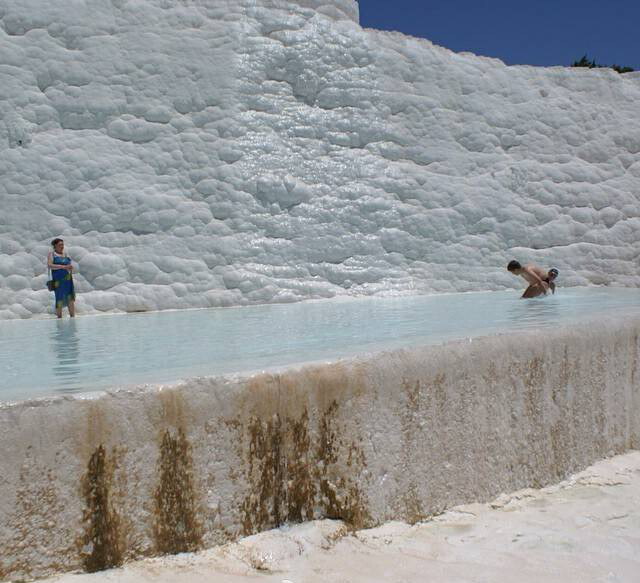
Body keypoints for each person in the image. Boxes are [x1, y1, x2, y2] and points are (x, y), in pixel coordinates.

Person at [47, 238, 76, 318]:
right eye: (60, 245)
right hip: (58, 281)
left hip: (68, 279)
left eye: (63, 244)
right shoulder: (52, 254)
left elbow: (69, 264)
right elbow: (50, 265)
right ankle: (59, 317)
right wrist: (63, 267)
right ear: (55, 246)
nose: (62, 246)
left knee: (70, 296)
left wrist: (69, 267)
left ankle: (72, 317)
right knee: (59, 297)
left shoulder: (66, 254)